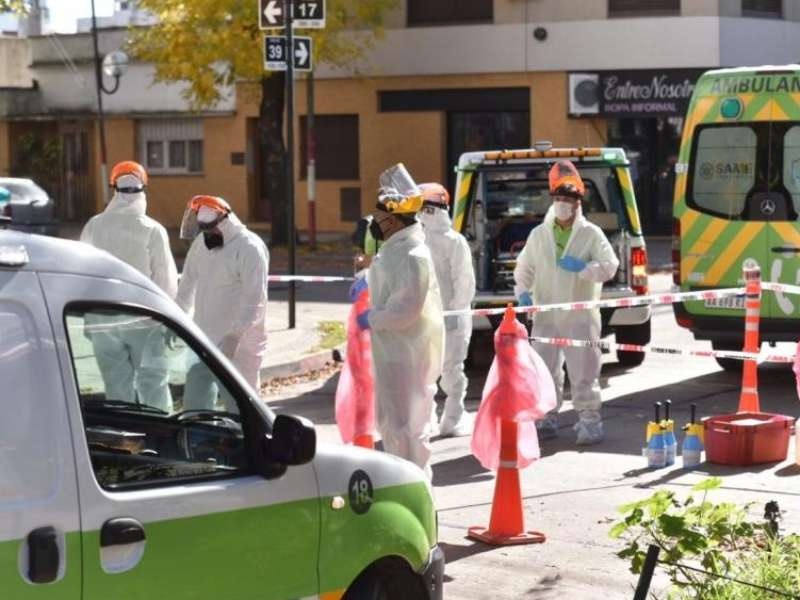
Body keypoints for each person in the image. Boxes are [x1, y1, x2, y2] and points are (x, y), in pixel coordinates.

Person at [513, 160, 619, 445]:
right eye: (559, 198)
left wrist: (585, 268)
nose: (562, 204)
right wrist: (523, 292)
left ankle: (589, 422)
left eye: (568, 200)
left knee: (584, 370)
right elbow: (524, 267)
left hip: (579, 315)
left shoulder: (590, 233)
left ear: (577, 203)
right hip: (546, 314)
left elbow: (610, 265)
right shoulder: (540, 234)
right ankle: (546, 417)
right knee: (545, 369)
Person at [356, 164, 444, 479]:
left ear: (393, 221)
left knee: (408, 428)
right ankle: (403, 485)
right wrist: (364, 279)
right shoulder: (395, 251)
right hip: (395, 352)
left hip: (408, 354)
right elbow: (388, 289)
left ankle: (415, 488)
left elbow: (405, 310)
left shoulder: (412, 255)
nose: (375, 224)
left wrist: (372, 318)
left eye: (379, 218)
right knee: (394, 424)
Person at [80, 160, 178, 413]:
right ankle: (159, 430)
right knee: (153, 383)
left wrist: (87, 315)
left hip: (102, 318)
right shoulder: (152, 230)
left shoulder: (94, 225)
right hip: (143, 317)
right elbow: (166, 281)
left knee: (116, 384)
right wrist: (168, 318)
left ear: (114, 189)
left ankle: (123, 432)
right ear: (143, 189)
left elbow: (82, 272)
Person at [176, 195, 269, 407]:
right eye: (204, 230)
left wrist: (235, 335)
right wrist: (177, 319)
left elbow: (254, 298)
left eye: (211, 230)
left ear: (224, 223)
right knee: (195, 403)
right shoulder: (200, 245)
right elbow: (187, 285)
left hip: (240, 345)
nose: (207, 235)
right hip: (203, 338)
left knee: (242, 406)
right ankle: (198, 429)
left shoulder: (249, 247)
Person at [418, 182, 476, 437]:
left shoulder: (452, 241)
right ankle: (432, 419)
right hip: (427, 317)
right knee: (429, 371)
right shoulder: (418, 239)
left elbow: (464, 282)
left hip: (448, 317)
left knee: (448, 370)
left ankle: (450, 419)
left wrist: (455, 312)